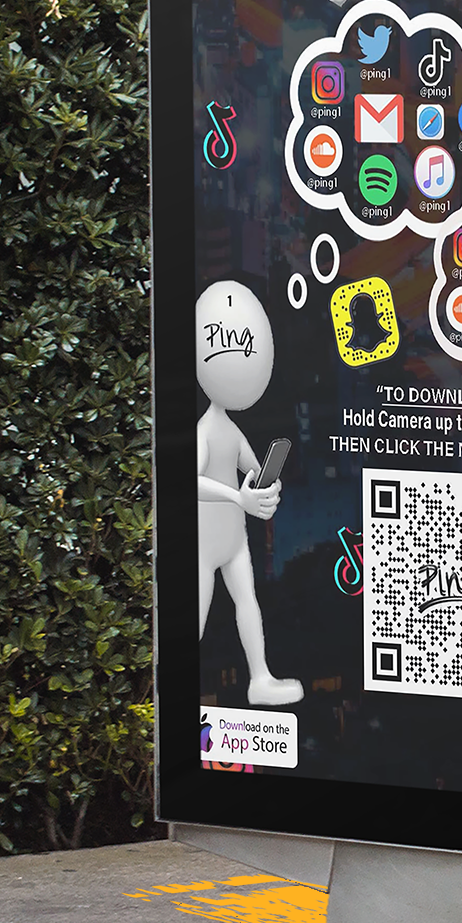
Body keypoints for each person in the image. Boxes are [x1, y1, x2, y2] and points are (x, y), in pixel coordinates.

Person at [196, 280, 303, 707]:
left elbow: (254, 469)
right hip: (206, 544)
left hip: (234, 540)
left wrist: (266, 485)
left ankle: (260, 678)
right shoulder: (205, 430)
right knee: (197, 619)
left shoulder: (229, 427)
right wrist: (239, 499)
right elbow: (191, 480)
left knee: (248, 603)